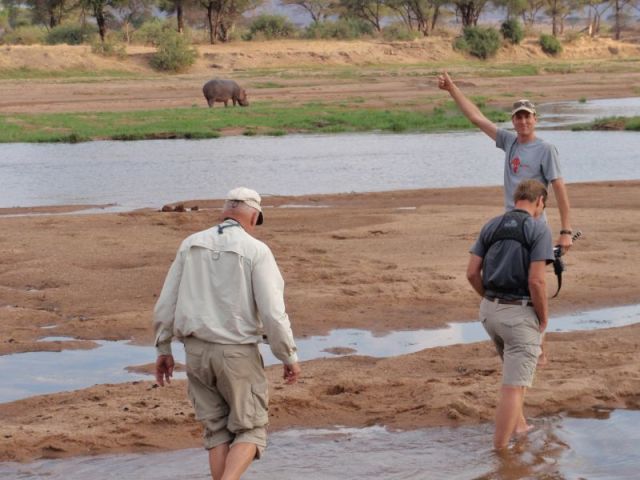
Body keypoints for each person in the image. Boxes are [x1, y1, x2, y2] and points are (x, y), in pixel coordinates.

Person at [153, 186, 301, 480]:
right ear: (254, 216)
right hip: (236, 353)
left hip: (195, 352)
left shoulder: (190, 243)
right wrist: (288, 355)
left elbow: (166, 301)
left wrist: (163, 348)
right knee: (251, 429)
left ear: (224, 212)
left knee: (217, 429)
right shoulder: (257, 250)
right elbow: (272, 312)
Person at [437, 71, 574, 253]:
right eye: (519, 117)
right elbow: (477, 118)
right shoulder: (509, 141)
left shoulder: (546, 149)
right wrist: (452, 89)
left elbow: (559, 188)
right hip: (511, 221)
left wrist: (566, 231)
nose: (523, 121)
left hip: (535, 222)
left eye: (528, 117)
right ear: (513, 120)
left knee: (534, 277)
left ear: (535, 119)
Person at [466, 179, 554, 450]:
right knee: (513, 386)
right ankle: (501, 453)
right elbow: (537, 282)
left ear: (517, 199)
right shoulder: (538, 228)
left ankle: (520, 426)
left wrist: (491, 301)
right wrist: (543, 318)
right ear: (539, 201)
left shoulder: (491, 224)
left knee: (516, 371)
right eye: (543, 205)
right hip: (518, 313)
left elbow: (471, 273)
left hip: (489, 312)